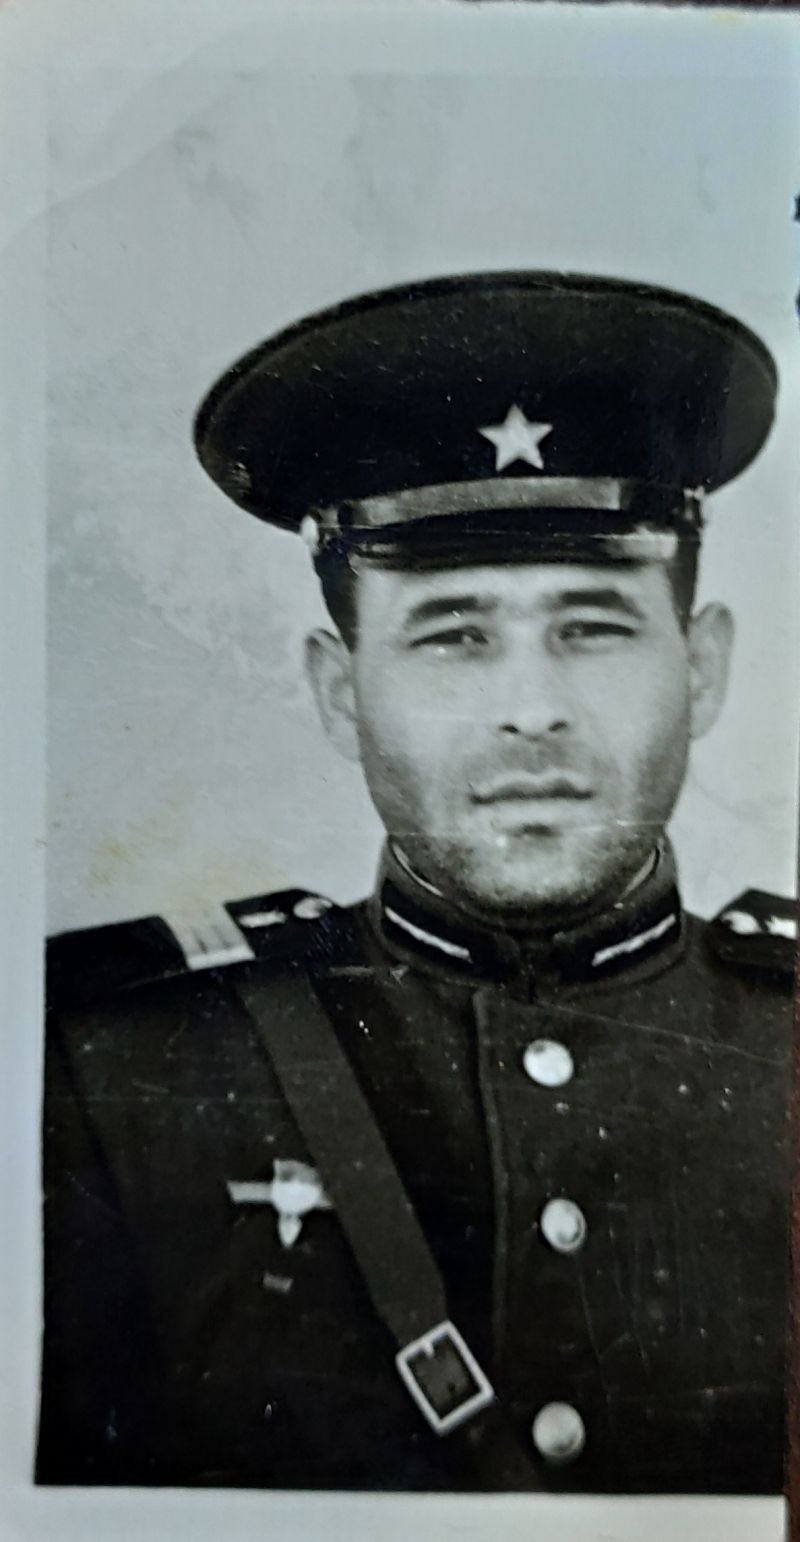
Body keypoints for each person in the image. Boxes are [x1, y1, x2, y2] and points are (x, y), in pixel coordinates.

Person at [37, 272, 795, 1495]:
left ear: (698, 669)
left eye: (593, 627)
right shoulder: (100, 1076)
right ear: (340, 693)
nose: (531, 710)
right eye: (452, 636)